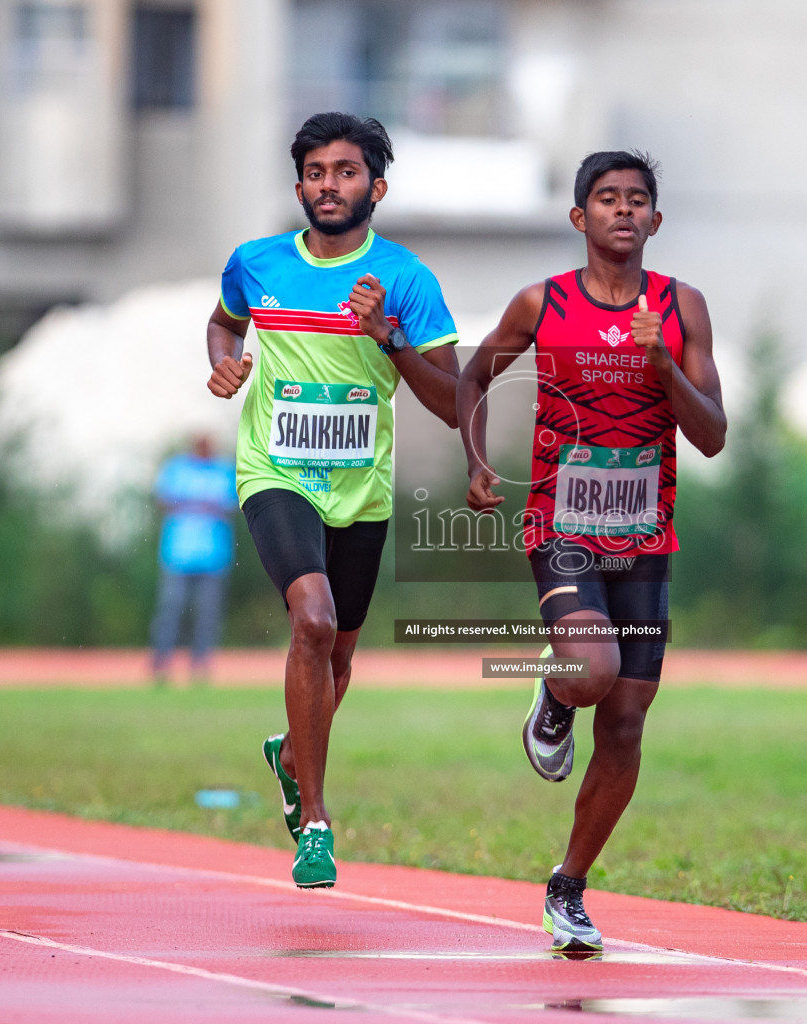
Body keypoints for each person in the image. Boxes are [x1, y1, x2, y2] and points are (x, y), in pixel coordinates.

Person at [456, 151, 726, 951]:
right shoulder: (542, 303)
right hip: (561, 527)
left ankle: (568, 887)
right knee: (594, 671)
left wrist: (663, 366)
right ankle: (553, 690)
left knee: (629, 724)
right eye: (606, 199)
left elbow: (711, 435)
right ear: (580, 218)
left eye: (637, 200)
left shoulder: (684, 307)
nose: (622, 211)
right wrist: (477, 463)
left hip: (644, 536)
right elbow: (474, 378)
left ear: (656, 220)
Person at [205, 112, 460, 890]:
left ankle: (291, 751)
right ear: (299, 186)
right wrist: (226, 363)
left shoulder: (408, 280)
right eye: (316, 173)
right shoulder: (255, 263)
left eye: (345, 172)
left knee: (340, 658)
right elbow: (223, 324)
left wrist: (388, 336)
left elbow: (453, 402)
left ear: (375, 188)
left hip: (360, 489)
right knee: (310, 620)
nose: (328, 185)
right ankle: (313, 822)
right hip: (274, 472)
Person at [149, 435, 239, 684]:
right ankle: (160, 664)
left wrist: (189, 502)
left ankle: (200, 667)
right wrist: (205, 505)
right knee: (170, 610)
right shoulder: (176, 467)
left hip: (214, 556)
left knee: (207, 615)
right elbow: (162, 500)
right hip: (178, 554)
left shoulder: (224, 470)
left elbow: (233, 505)